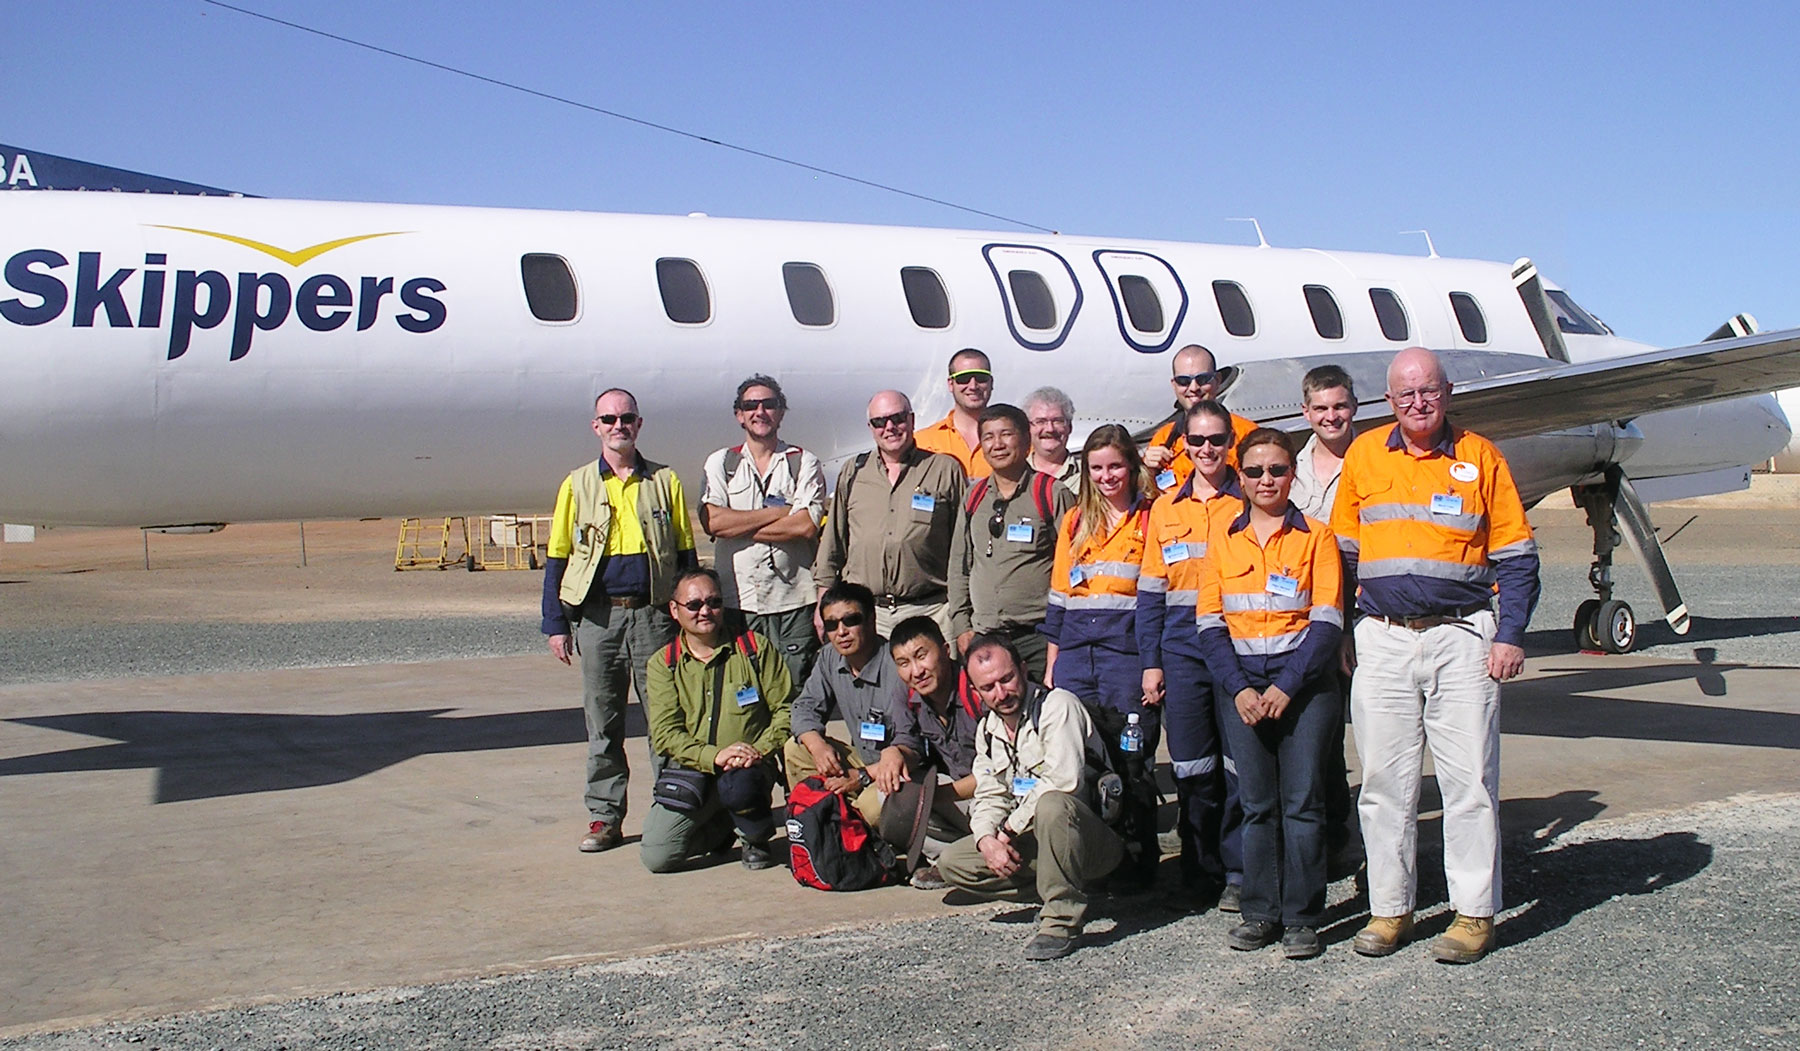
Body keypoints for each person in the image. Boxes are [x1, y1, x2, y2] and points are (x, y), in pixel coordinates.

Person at [1333, 347, 1541, 964]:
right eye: (1405, 395)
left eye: (1428, 392)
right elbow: (1341, 556)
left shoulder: (1481, 456)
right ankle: (1389, 910)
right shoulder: (1365, 455)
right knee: (1383, 783)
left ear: (1447, 393)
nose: (1417, 404)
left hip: (1462, 638)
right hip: (1384, 636)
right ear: (1389, 400)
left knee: (1468, 781)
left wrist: (1512, 634)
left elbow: (1518, 557)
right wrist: (1344, 630)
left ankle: (1474, 914)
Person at [1197, 428, 1345, 959]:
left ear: (1293, 474)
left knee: (1303, 803)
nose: (1266, 480)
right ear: (1240, 477)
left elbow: (1327, 623)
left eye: (1277, 470)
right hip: (1241, 687)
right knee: (1258, 805)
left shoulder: (1317, 538)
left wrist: (1287, 686)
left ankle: (1304, 917)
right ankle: (1261, 912)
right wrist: (1238, 689)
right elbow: (1209, 623)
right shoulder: (1223, 539)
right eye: (1255, 471)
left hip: (1304, 685)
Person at [542, 387, 697, 854]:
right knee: (603, 721)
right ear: (596, 426)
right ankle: (604, 817)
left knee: (665, 720)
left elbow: (685, 552)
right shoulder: (577, 484)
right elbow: (557, 557)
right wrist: (555, 624)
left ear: (639, 424)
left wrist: (691, 616)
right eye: (608, 419)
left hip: (653, 616)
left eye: (626, 417)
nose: (618, 426)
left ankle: (670, 811)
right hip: (598, 619)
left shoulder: (664, 481)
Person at [937, 635, 1124, 960]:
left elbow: (1063, 782)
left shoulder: (1058, 706)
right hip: (1034, 837)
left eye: (1007, 679)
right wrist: (986, 841)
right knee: (954, 863)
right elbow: (989, 792)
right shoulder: (988, 729)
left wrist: (1008, 831)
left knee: (1052, 803)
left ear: (1023, 670)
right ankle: (1058, 888)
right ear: (976, 692)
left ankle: (1061, 922)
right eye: (988, 687)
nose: (1001, 693)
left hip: (1090, 838)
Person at [1136, 400, 1247, 910]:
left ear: (1230, 443)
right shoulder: (1166, 507)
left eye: (1216, 440)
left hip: (1234, 647)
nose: (1206, 450)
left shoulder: (1248, 498)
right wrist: (1152, 660)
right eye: (1196, 441)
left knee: (1237, 764)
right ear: (1185, 446)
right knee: (1191, 764)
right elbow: (1152, 592)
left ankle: (1241, 870)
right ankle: (1200, 870)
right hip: (1181, 650)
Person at [1043, 424, 1160, 889]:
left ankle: (1140, 861)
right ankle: (1095, 862)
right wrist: (1053, 665)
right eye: (1097, 468)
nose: (1107, 476)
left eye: (1115, 466)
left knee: (1132, 761)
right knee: (1083, 761)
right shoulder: (1075, 522)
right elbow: (1058, 597)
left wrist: (1154, 663)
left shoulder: (1151, 519)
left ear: (1132, 466)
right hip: (1075, 655)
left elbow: (1155, 599)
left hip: (1124, 656)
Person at [641, 569, 793, 872]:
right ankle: (723, 827)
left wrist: (757, 752)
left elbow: (786, 710)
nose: (705, 611)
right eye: (694, 605)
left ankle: (755, 836)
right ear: (674, 609)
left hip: (749, 769)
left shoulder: (754, 649)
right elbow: (665, 734)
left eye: (714, 602)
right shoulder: (663, 664)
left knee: (740, 786)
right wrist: (715, 756)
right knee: (657, 856)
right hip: (696, 771)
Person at [699, 374, 827, 684]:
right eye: (750, 405)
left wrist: (737, 524)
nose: (760, 411)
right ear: (739, 415)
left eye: (769, 404)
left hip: (794, 602)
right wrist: (778, 513)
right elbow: (713, 521)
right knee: (745, 691)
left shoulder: (802, 461)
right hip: (738, 601)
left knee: (794, 689)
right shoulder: (721, 463)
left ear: (781, 412)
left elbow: (806, 526)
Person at [814, 390, 966, 638]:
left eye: (898, 418)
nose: (890, 427)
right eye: (880, 422)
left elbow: (964, 547)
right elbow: (833, 542)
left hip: (931, 611)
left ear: (912, 420)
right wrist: (824, 602)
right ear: (870, 427)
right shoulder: (853, 472)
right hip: (865, 614)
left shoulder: (944, 469)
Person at [1289, 364, 1362, 879]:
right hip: (1302, 620)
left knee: (1372, 736)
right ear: (1305, 411)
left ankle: (1357, 843)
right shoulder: (1287, 470)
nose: (1331, 416)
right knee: (1318, 737)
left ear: (1354, 407)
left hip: (1359, 614)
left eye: (1339, 407)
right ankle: (1328, 839)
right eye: (1321, 408)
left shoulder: (1372, 461)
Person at [947, 403, 1076, 681]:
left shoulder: (1051, 494)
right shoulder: (974, 497)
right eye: (989, 437)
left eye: (1006, 434)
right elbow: (960, 566)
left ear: (1026, 439)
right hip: (984, 636)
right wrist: (962, 627)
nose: (997, 444)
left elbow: (1075, 564)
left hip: (1038, 637)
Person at [783, 582, 913, 828]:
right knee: (795, 748)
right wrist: (819, 746)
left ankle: (850, 824)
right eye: (831, 625)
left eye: (850, 620)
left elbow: (912, 745)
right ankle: (826, 819)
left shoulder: (898, 665)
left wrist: (862, 777)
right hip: (860, 761)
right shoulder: (830, 657)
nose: (841, 632)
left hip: (896, 769)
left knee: (872, 808)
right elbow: (804, 708)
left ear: (871, 619)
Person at [887, 615, 984, 888]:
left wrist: (933, 797)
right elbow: (908, 742)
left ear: (945, 651)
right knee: (893, 792)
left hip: (996, 792)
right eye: (904, 664)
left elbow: (997, 771)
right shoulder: (907, 693)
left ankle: (975, 860)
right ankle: (950, 861)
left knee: (922, 800)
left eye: (921, 656)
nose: (916, 671)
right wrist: (895, 754)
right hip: (961, 797)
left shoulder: (977, 689)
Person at [1142, 344, 1256, 494]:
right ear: (1174, 385)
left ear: (1218, 380)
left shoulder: (1247, 435)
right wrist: (1145, 471)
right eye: (1184, 381)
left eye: (1203, 379)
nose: (1194, 388)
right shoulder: (1163, 439)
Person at [914, 348, 995, 476]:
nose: (973, 386)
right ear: (951, 384)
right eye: (963, 378)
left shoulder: (1016, 441)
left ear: (991, 382)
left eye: (981, 377)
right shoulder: (921, 442)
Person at [1023, 386, 1081, 494]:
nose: (1050, 429)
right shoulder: (1015, 475)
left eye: (1058, 421)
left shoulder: (1090, 475)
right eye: (1041, 421)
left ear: (1070, 427)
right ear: (1028, 428)